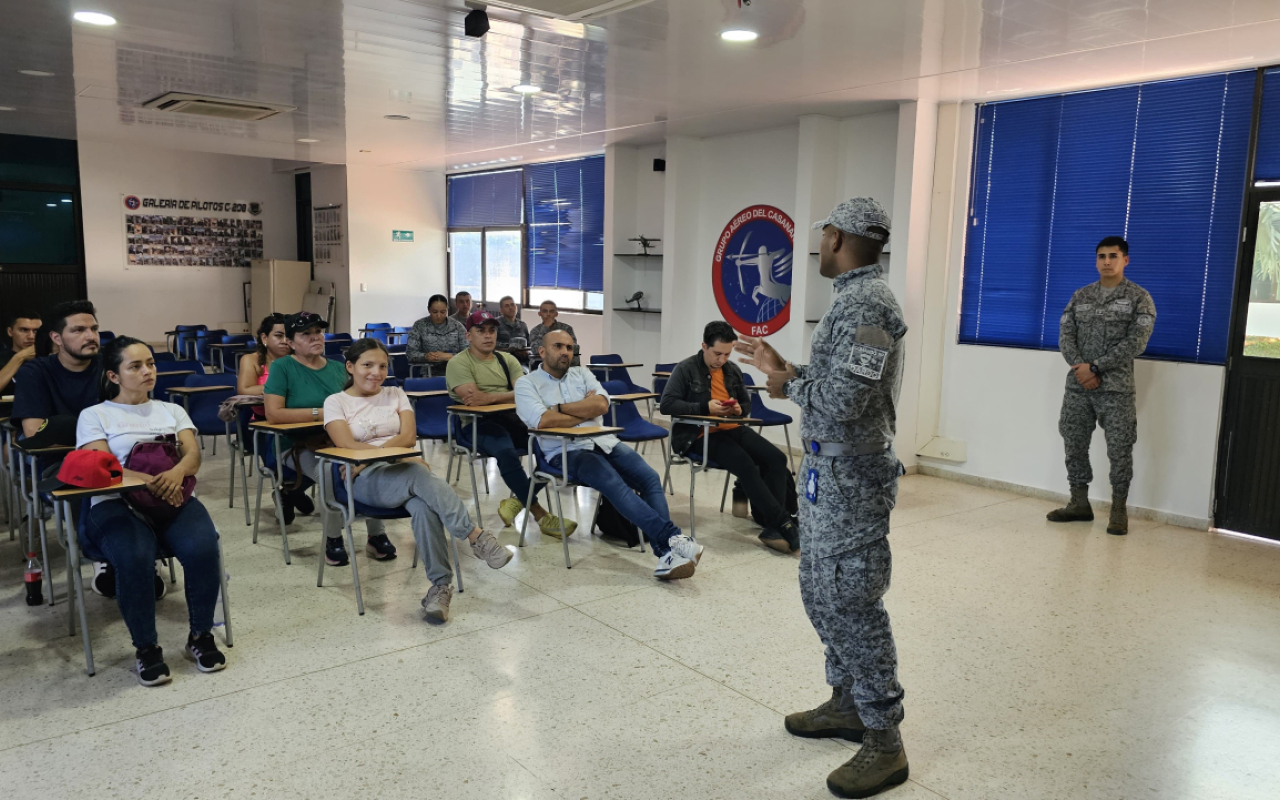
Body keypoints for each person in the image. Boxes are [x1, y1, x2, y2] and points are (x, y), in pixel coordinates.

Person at [735, 198, 908, 798]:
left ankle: (885, 739)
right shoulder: (854, 300)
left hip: (853, 478)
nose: (819, 246)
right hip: (826, 475)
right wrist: (788, 368)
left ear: (836, 237)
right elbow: (839, 383)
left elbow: (847, 401)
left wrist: (789, 384)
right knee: (820, 590)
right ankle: (847, 703)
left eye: (823, 236)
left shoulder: (868, 305)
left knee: (852, 599)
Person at [324, 339, 513, 623]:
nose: (376, 372)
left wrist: (373, 455)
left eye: (382, 366)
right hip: (363, 480)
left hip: (388, 468)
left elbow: (409, 439)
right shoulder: (335, 402)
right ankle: (476, 537)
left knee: (423, 505)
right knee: (417, 472)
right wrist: (395, 456)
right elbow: (345, 444)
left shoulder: (395, 393)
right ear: (350, 367)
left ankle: (439, 588)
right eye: (367, 365)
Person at [76, 336, 226, 686]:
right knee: (134, 557)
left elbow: (192, 455)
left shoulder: (171, 410)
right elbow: (103, 464)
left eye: (151, 364)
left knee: (203, 547)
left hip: (173, 497)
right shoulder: (96, 415)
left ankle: (200, 636)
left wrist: (175, 474)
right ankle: (146, 648)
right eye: (136, 366)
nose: (148, 372)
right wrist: (151, 480)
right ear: (114, 376)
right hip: (116, 504)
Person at [516, 330, 704, 578]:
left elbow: (601, 405)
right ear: (542, 351)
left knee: (649, 478)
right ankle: (672, 540)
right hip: (566, 450)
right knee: (614, 484)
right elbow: (544, 421)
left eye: (570, 348)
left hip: (603, 440)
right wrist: (583, 411)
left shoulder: (582, 374)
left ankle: (666, 552)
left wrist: (560, 408)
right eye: (558, 346)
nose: (565, 352)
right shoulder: (526, 384)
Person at [264, 311, 396, 566]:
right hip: (296, 446)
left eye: (318, 332)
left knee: (371, 465)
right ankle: (333, 539)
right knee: (330, 471)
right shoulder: (283, 367)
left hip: (340, 441)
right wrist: (323, 413)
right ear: (291, 342)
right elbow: (273, 413)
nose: (316, 337)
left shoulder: (337, 368)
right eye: (306, 334)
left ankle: (376, 536)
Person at [1046, 236, 1156, 536]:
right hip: (1078, 388)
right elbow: (1065, 335)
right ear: (1096, 260)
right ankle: (1079, 503)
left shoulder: (1139, 298)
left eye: (1113, 256)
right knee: (1074, 444)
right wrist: (1082, 368)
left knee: (1120, 450)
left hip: (1116, 389)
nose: (1107, 261)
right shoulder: (1080, 296)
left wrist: (1096, 367)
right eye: (1101, 256)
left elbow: (1137, 342)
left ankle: (1118, 509)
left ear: (1125, 260)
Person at [661, 320, 797, 553]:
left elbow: (745, 403)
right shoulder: (685, 369)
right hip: (699, 434)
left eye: (726, 354)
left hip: (732, 427)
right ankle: (782, 522)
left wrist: (738, 410)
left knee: (776, 458)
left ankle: (770, 522)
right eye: (717, 353)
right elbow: (667, 404)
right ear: (704, 346)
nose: (721, 359)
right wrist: (705, 407)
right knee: (745, 464)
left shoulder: (732, 370)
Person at [445, 308, 571, 538]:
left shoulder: (507, 359)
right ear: (468, 336)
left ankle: (515, 503)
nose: (487, 335)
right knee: (506, 451)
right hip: (477, 425)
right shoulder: (458, 363)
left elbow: (527, 392)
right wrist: (509, 395)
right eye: (480, 330)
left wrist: (491, 397)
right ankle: (539, 513)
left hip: (512, 418)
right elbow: (473, 401)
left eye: (492, 330)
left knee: (555, 446)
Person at [237, 313, 312, 523]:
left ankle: (290, 492)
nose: (284, 341)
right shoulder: (251, 360)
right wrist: (279, 388)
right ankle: (292, 490)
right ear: (264, 338)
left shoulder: (299, 360)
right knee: (281, 463)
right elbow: (244, 389)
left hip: (299, 420)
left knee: (323, 453)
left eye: (288, 336)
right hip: (263, 425)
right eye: (278, 335)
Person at [407, 294, 467, 371]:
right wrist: (425, 356)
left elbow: (468, 353)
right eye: (435, 312)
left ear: (447, 310)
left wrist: (451, 356)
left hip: (456, 371)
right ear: (428, 310)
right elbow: (411, 354)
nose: (439, 315)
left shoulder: (457, 326)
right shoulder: (419, 326)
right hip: (428, 372)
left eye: (443, 312)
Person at [0, 309, 41, 395]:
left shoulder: (51, 358)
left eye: (36, 331)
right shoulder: (2, 358)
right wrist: (20, 357)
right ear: (10, 332)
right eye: (24, 330)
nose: (31, 336)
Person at [495, 295, 530, 362]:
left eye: (512, 305)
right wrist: (513, 349)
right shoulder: (496, 324)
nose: (511, 308)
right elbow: (493, 344)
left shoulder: (523, 325)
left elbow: (528, 344)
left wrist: (524, 350)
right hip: (503, 359)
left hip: (521, 360)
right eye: (507, 306)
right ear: (501, 311)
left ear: (516, 307)